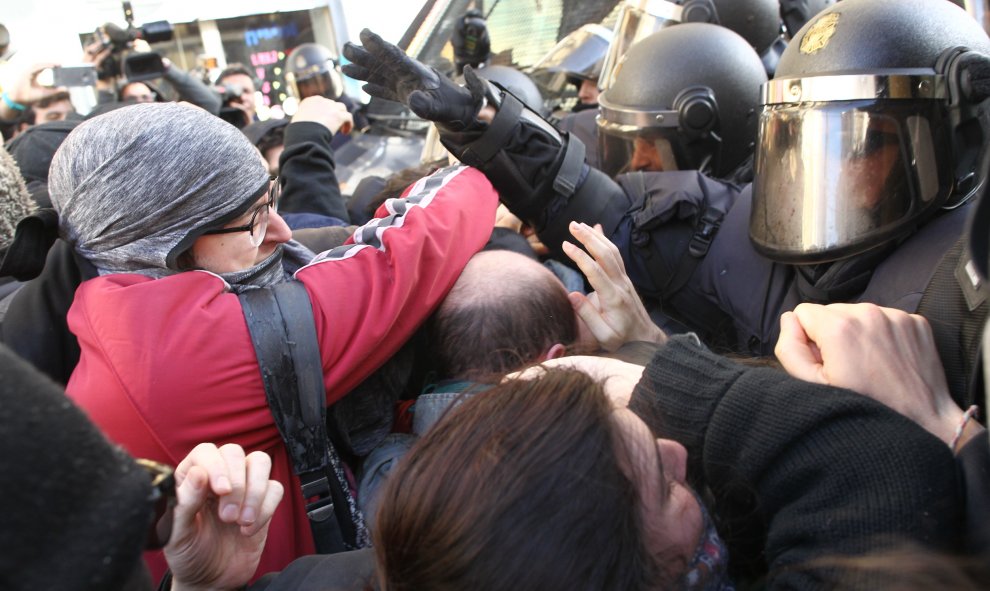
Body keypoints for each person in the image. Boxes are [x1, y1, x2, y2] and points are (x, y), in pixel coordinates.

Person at [343, 0, 990, 407]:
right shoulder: (760, 225)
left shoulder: (963, 299)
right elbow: (623, 216)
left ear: (948, 143)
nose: (826, 174)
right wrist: (491, 127)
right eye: (804, 142)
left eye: (862, 145)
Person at [23, 98, 497, 581]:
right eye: (252, 217)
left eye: (269, 199)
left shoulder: (118, 310)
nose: (282, 229)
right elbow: (411, 251)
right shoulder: (190, 355)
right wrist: (491, 148)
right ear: (163, 249)